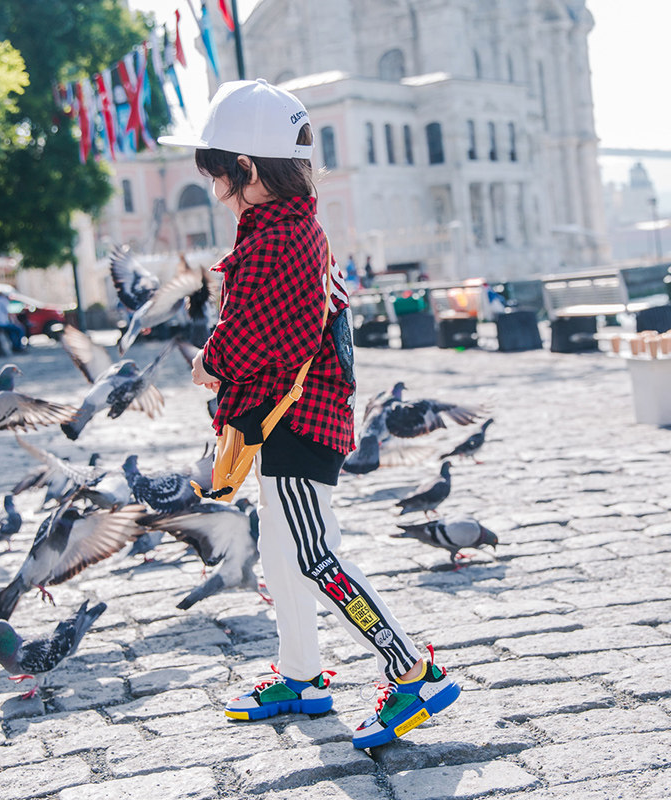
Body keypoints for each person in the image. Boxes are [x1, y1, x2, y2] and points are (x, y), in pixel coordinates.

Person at [158, 79, 460, 749]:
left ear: (246, 168)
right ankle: (302, 675)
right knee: (281, 551)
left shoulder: (280, 238)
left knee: (315, 555)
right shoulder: (288, 226)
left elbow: (267, 335)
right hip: (296, 418)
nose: (213, 187)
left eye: (216, 172)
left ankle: (412, 671)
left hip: (298, 422)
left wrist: (210, 360)